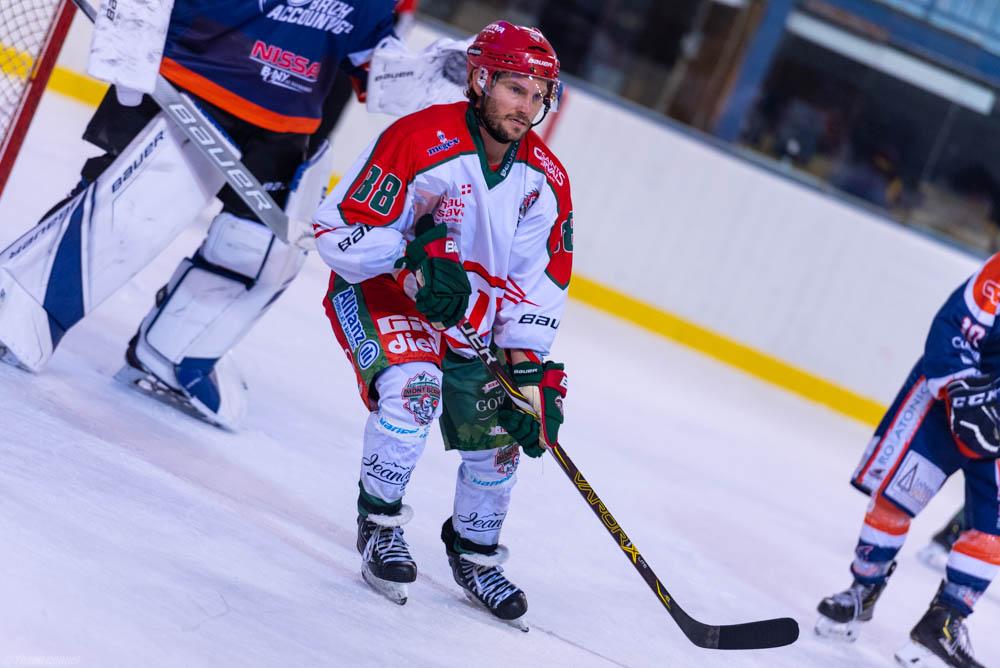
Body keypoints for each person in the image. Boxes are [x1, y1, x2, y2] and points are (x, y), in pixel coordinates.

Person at [0, 0, 400, 429]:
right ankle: (19, 302)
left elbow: (374, 59)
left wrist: (430, 75)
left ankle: (176, 354)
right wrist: (127, 44)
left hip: (287, 126)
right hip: (190, 84)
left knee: (262, 253)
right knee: (129, 214)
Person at [312, 21, 572, 628]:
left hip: (468, 319)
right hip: (381, 293)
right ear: (479, 79)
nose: (526, 106)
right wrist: (408, 262)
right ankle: (378, 526)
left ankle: (475, 555)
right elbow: (336, 231)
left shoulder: (547, 181)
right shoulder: (417, 138)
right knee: (417, 388)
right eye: (514, 88)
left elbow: (540, 281)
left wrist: (526, 370)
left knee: (503, 435)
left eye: (538, 95)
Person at [814, 255, 1000, 667]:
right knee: (895, 498)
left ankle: (943, 623)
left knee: (993, 532)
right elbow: (955, 325)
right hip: (949, 404)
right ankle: (863, 590)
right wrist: (959, 387)